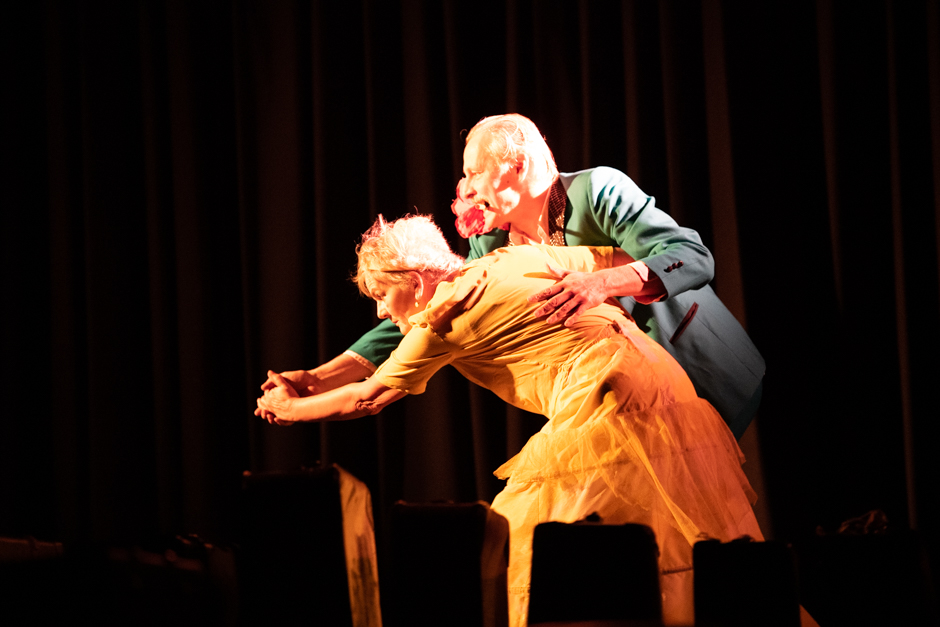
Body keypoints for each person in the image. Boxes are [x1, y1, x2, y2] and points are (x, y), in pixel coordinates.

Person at [256, 214, 764, 626]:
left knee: (525, 544)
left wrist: (289, 409)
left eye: (381, 297)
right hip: (665, 383)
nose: (382, 314)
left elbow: (368, 398)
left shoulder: (444, 318)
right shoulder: (516, 257)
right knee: (673, 534)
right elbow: (620, 261)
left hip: (605, 399)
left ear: (415, 281)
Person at [265, 114, 764, 438]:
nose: (465, 187)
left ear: (516, 165)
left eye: (474, 172)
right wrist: (317, 378)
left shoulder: (597, 191)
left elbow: (691, 255)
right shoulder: (490, 245)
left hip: (701, 366)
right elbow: (425, 313)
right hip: (628, 398)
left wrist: (600, 284)